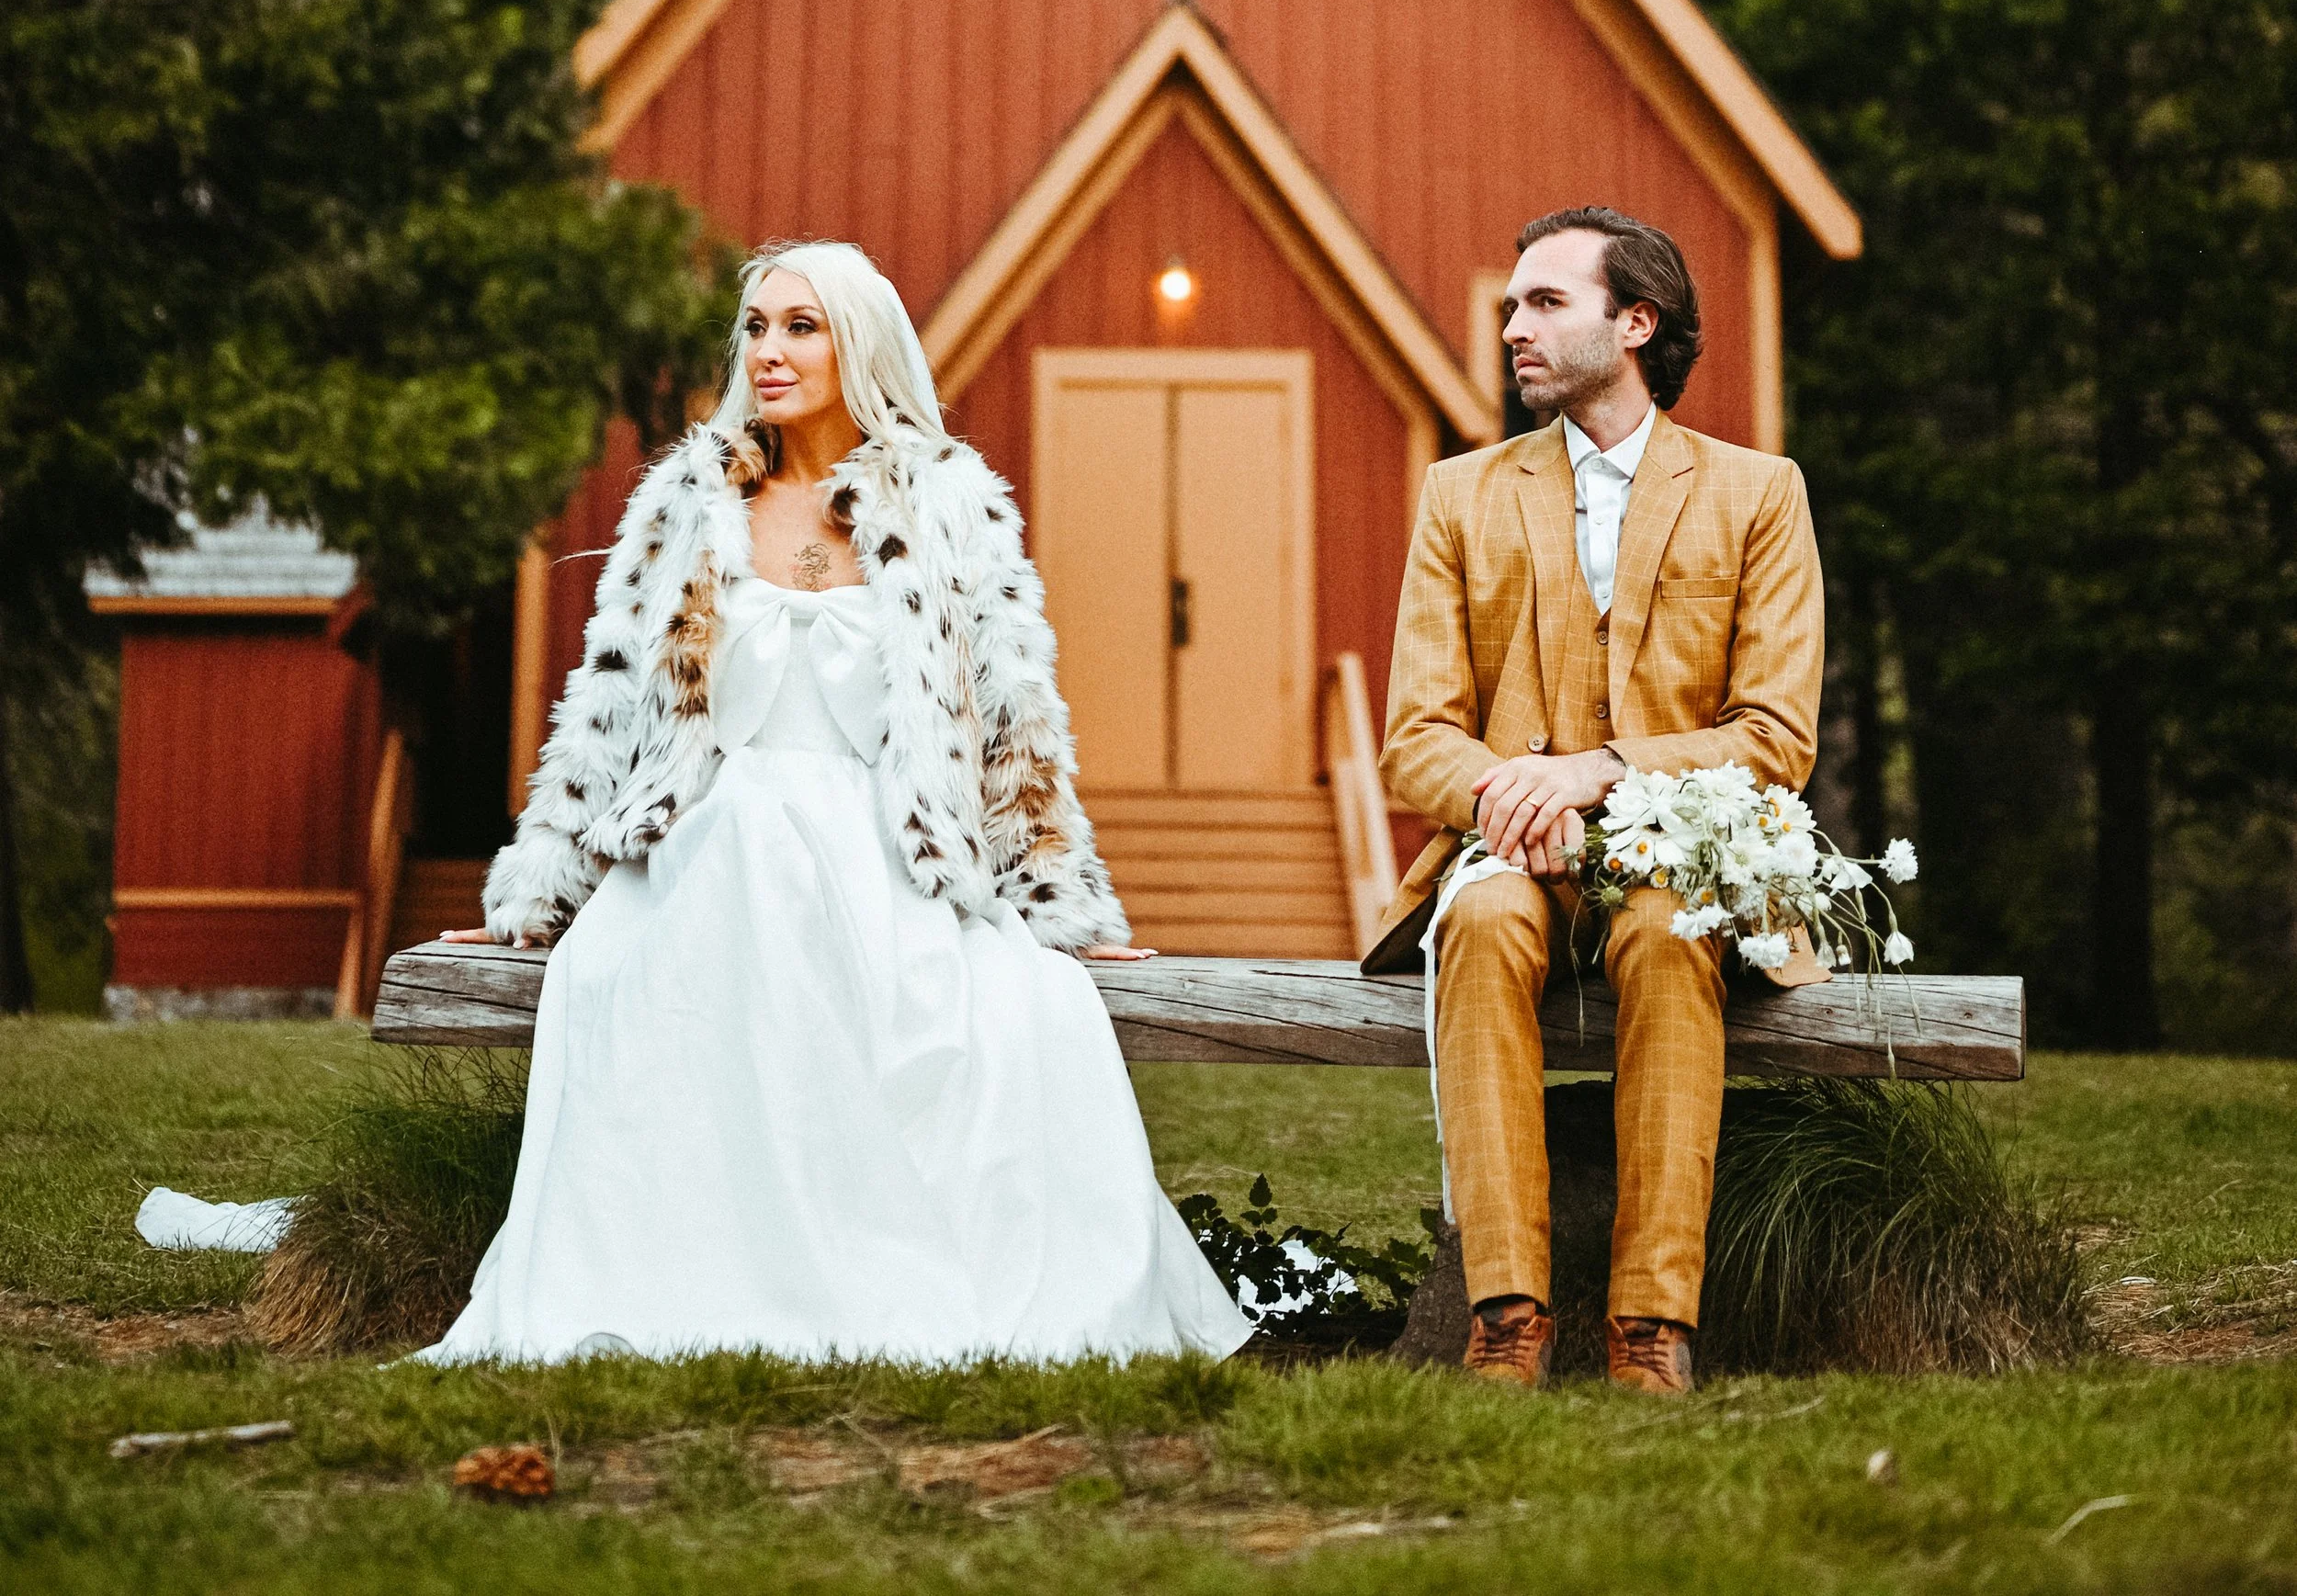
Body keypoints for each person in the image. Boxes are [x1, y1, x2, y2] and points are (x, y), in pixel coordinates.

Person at [425, 239, 1250, 1366]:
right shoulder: (690, 496)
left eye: (800, 325)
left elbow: (1016, 714)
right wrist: (542, 884)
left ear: (859, 341)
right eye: (756, 326)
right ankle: (722, 1277)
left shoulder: (947, 497)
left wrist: (1061, 902)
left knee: (1027, 1014)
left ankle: (902, 1278)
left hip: (893, 849)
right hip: (707, 844)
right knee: (679, 955)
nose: (769, 349)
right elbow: (608, 698)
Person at [1365, 207, 1824, 1397]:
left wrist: (1601, 772)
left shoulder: (1758, 492)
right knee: (1477, 923)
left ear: (1635, 322)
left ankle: (1652, 1325)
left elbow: (1776, 737)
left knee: (1673, 935)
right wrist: (1512, 795)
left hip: (1680, 857)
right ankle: (1508, 1313)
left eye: (1543, 302)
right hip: (1510, 853)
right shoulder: (1459, 495)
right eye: (1511, 305)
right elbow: (1415, 737)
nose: (1512, 325)